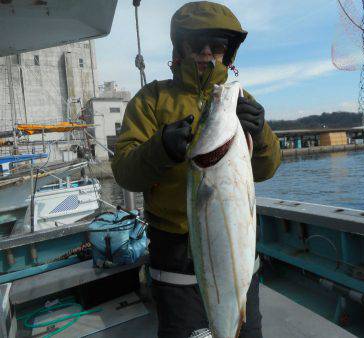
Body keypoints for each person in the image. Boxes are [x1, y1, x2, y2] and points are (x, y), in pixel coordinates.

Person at [112, 2, 281, 337]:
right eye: (197, 43)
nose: (207, 53)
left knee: (244, 329)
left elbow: (266, 168)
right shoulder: (151, 100)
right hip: (175, 259)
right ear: (181, 47)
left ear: (227, 52)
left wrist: (260, 134)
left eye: (217, 46)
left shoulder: (239, 99)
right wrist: (159, 149)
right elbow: (125, 172)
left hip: (237, 255)